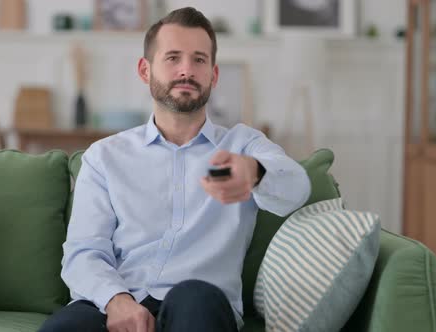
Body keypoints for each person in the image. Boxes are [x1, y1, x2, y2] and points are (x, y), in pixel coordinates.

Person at [40, 7, 310, 332]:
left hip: (198, 309)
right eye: (172, 58)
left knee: (194, 296)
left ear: (213, 74)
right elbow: (84, 251)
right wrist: (117, 301)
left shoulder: (243, 146)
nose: (187, 70)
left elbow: (297, 188)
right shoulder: (104, 157)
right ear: (145, 70)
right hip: (115, 306)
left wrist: (254, 173)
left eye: (199, 59)